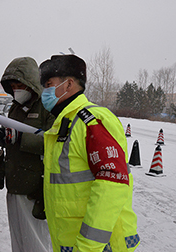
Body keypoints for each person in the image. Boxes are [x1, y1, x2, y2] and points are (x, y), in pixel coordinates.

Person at [39, 54, 140, 252]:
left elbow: (111, 185)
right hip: (73, 242)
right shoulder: (65, 123)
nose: (45, 92)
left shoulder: (91, 121)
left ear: (68, 85)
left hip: (98, 246)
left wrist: (88, 247)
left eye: (49, 84)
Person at [0, 57, 55, 252]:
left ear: (31, 84)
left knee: (35, 242)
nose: (16, 89)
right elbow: (11, 141)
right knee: (19, 241)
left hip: (34, 187)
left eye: (20, 84)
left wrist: (19, 137)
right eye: (12, 85)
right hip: (14, 182)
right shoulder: (15, 108)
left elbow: (55, 143)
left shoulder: (48, 108)